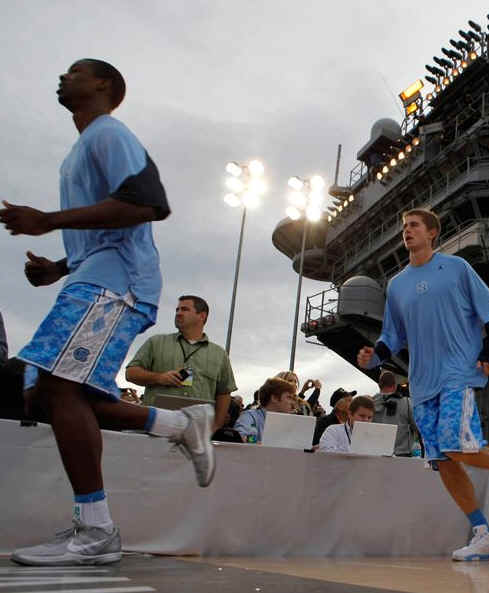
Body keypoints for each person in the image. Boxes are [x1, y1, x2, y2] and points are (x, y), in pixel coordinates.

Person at [0, 59, 214, 566]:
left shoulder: (108, 133)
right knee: (44, 393)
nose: (63, 76)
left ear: (103, 85)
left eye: (76, 71)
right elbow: (105, 231)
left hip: (118, 284)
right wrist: (58, 266)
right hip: (93, 277)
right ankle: (178, 425)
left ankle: (96, 530)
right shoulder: (79, 151)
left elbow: (148, 203)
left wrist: (48, 221)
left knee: (56, 387)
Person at [357, 208, 489, 562]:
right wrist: (374, 356)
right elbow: (392, 335)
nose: (407, 231)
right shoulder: (397, 285)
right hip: (421, 382)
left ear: (432, 233)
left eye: (414, 225)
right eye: (404, 227)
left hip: (457, 371)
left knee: (457, 443)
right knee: (443, 460)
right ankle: (484, 535)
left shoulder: (456, 268)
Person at [125, 295, 237, 431]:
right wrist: (159, 378)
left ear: (202, 316)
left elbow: (224, 392)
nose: (178, 313)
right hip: (155, 428)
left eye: (185, 309)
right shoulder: (156, 342)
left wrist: (216, 426)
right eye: (177, 309)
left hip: (195, 431)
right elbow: (130, 373)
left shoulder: (219, 354)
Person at [233, 377, 297, 443]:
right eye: (289, 397)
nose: (293, 402)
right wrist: (259, 442)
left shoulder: (289, 421)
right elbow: (241, 437)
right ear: (274, 398)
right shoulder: (250, 416)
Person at [372, 371, 418, 456]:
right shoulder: (407, 402)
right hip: (401, 456)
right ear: (395, 385)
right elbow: (418, 427)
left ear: (379, 385)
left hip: (377, 454)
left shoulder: (371, 402)